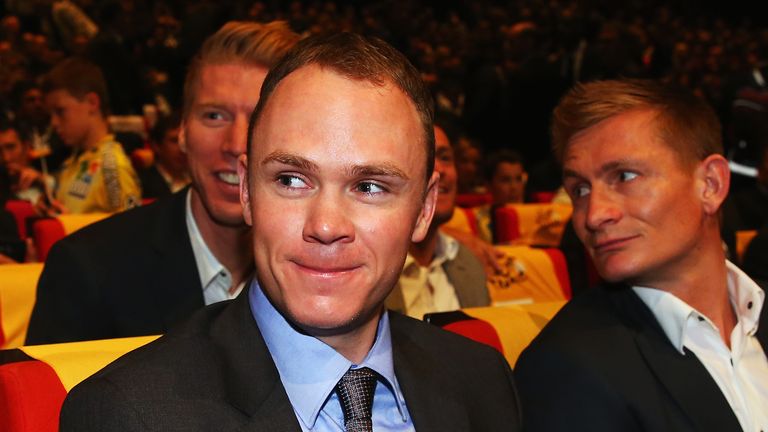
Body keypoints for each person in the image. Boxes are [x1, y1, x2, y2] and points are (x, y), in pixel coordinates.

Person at [60, 32, 522, 431]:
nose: (325, 225)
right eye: (291, 180)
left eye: (369, 186)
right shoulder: (129, 416)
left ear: (425, 208)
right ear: (246, 190)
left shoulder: (483, 382)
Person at [514, 79, 768, 431]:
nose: (593, 214)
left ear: (710, 184)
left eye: (624, 176)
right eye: (580, 190)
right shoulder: (567, 365)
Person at [25, 21, 300, 345]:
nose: (236, 143)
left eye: (259, 118)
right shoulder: (87, 271)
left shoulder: (328, 269)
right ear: (182, 130)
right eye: (214, 116)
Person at [386, 124, 490, 319]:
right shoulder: (369, 269)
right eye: (426, 156)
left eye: (445, 157)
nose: (440, 169)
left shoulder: (468, 262)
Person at [42, 57, 141, 214]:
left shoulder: (111, 167)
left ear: (92, 103)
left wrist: (68, 224)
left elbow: (133, 231)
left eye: (60, 111)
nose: (53, 123)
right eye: (51, 115)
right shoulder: (72, 161)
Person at [137, 112, 189, 199]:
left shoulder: (200, 179)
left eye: (186, 140)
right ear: (156, 146)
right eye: (174, 141)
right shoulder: (141, 184)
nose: (182, 148)